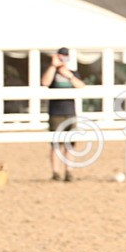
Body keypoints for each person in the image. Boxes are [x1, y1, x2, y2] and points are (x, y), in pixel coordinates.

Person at [41, 47, 85, 182]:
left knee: (70, 144)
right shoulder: (51, 72)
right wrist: (53, 66)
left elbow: (81, 86)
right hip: (56, 113)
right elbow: (45, 82)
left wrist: (69, 75)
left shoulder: (72, 73)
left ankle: (69, 171)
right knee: (56, 144)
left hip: (70, 112)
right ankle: (55, 172)